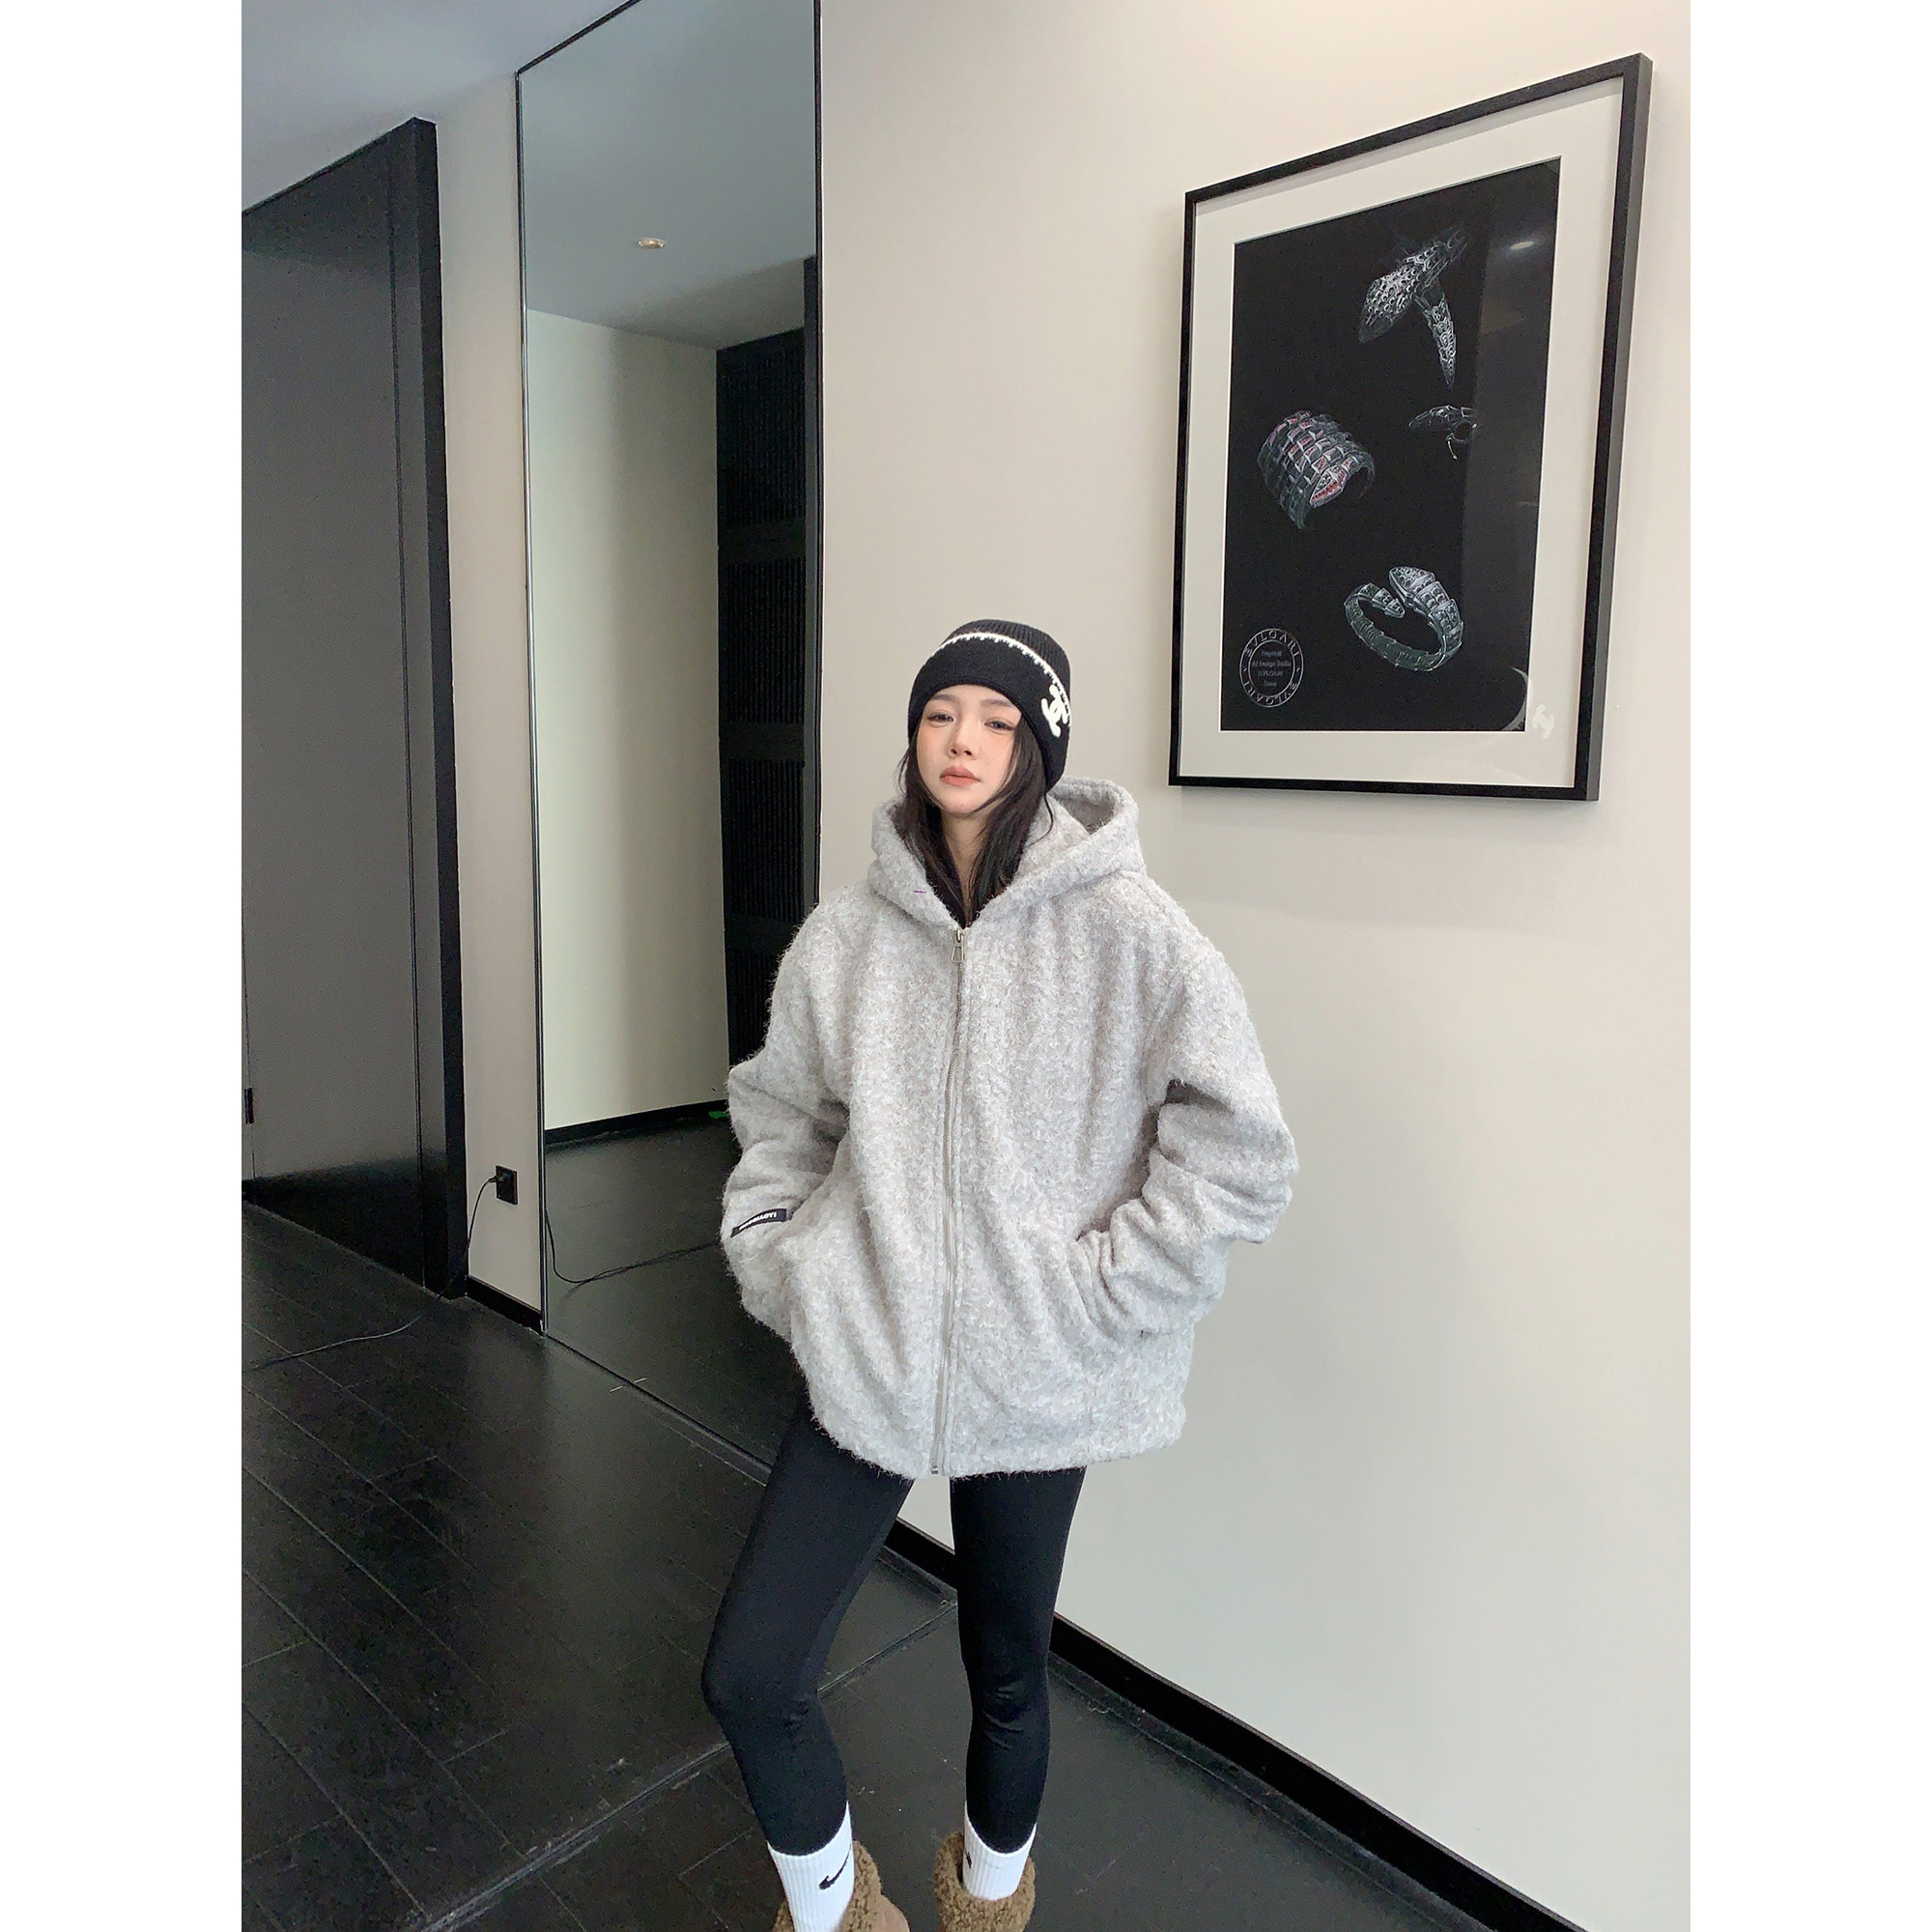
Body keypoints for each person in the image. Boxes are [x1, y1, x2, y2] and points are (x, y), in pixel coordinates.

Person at [700, 619, 1297, 1932]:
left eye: (997, 719)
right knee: (752, 1672)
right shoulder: (848, 938)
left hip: (1041, 1366)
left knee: (1009, 1672)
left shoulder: (1131, 934)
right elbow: (783, 1116)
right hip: (871, 1340)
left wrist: (1102, 1295)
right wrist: (788, 1260)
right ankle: (838, 1919)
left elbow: (1241, 1153)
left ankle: (986, 1907)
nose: (962, 741)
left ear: (1040, 747)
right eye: (939, 714)